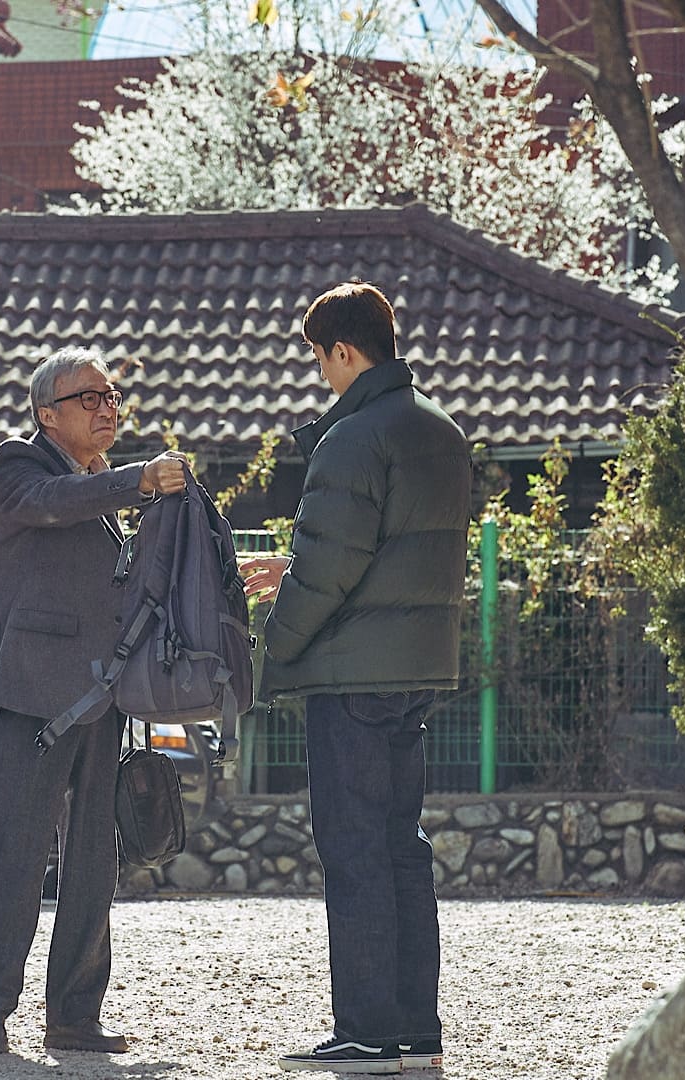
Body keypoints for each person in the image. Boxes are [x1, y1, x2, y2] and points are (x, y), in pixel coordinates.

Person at [239, 282, 470, 1075]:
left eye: (320, 358)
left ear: (342, 350)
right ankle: (415, 1031)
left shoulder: (351, 437)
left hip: (351, 677)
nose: (322, 374)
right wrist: (297, 568)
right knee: (402, 847)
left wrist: (275, 645)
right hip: (415, 668)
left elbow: (332, 570)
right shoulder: (440, 429)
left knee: (355, 850)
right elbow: (389, 550)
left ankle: (367, 1033)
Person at [0, 346, 189, 1056]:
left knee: (93, 864)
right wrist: (137, 480)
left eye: (112, 396)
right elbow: (51, 504)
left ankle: (74, 1017)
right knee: (12, 862)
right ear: (47, 414)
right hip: (23, 698)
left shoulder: (103, 487)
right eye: (89, 397)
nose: (107, 408)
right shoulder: (17, 464)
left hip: (99, 698)